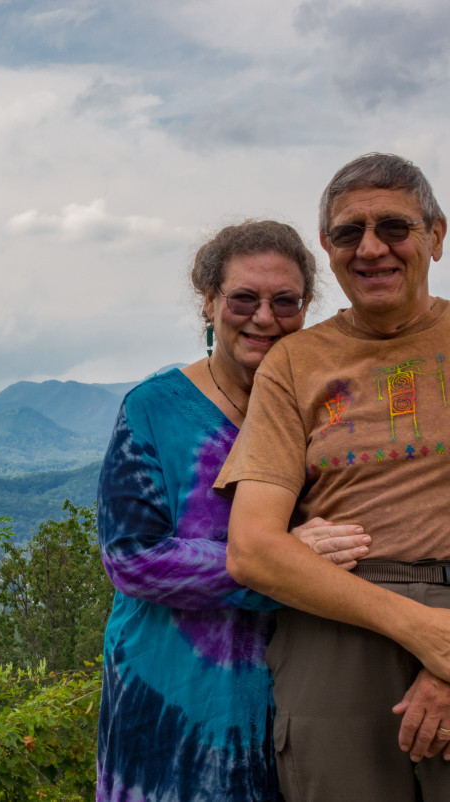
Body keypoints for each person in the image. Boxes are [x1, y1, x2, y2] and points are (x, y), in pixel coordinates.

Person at [96, 220, 371, 801]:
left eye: (285, 301)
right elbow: (132, 557)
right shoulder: (154, 408)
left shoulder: (324, 409)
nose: (264, 317)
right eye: (244, 298)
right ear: (210, 301)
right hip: (171, 690)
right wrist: (277, 561)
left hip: (293, 686)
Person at [222, 153, 450, 801]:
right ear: (328, 246)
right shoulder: (295, 361)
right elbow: (253, 548)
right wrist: (418, 628)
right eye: (350, 232)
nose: (372, 248)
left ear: (436, 235)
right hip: (334, 626)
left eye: (395, 228)